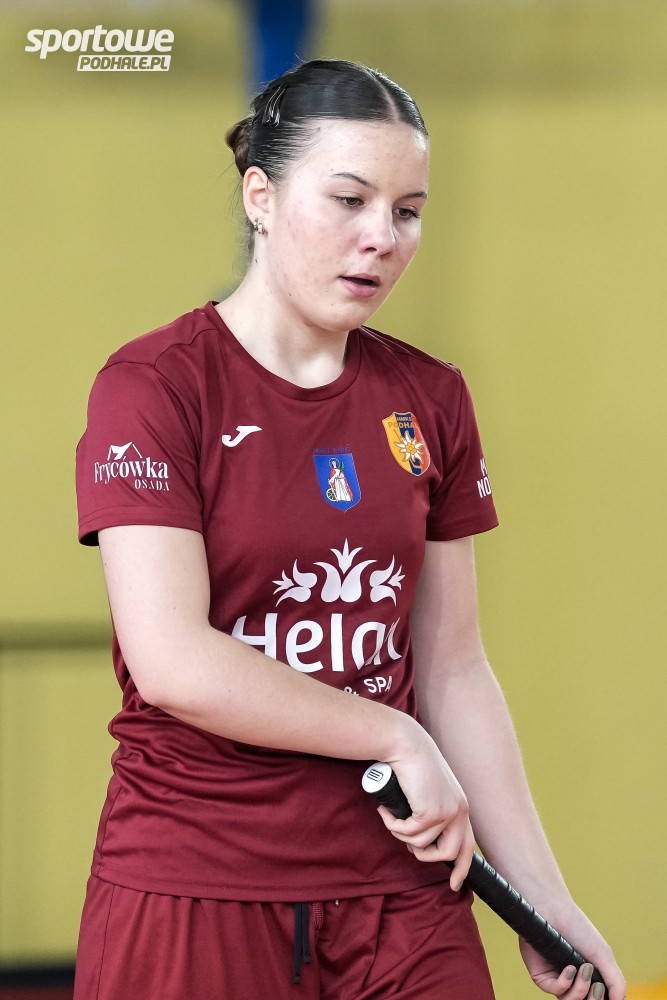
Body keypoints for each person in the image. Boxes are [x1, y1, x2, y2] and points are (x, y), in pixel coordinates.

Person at [73, 59, 625, 1000]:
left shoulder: (429, 397)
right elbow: (172, 661)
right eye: (348, 199)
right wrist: (395, 738)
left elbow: (452, 667)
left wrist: (543, 896)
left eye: (407, 211)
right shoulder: (154, 387)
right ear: (260, 196)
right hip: (198, 879)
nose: (380, 237)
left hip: (404, 888)